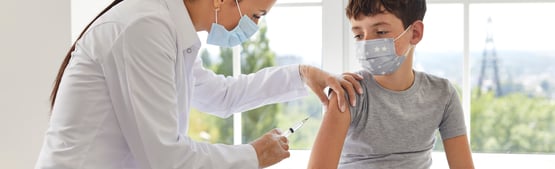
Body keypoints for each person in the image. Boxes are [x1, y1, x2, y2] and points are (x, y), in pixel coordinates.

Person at [34, 0, 364, 168]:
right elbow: (167, 159)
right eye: (256, 15)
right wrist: (253, 155)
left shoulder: (172, 31)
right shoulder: (146, 27)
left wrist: (302, 75)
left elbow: (221, 95)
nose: (253, 28)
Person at [307, 0, 475, 169]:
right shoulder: (349, 91)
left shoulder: (443, 94)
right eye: (358, 35)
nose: (366, 44)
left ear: (415, 33)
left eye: (380, 32)